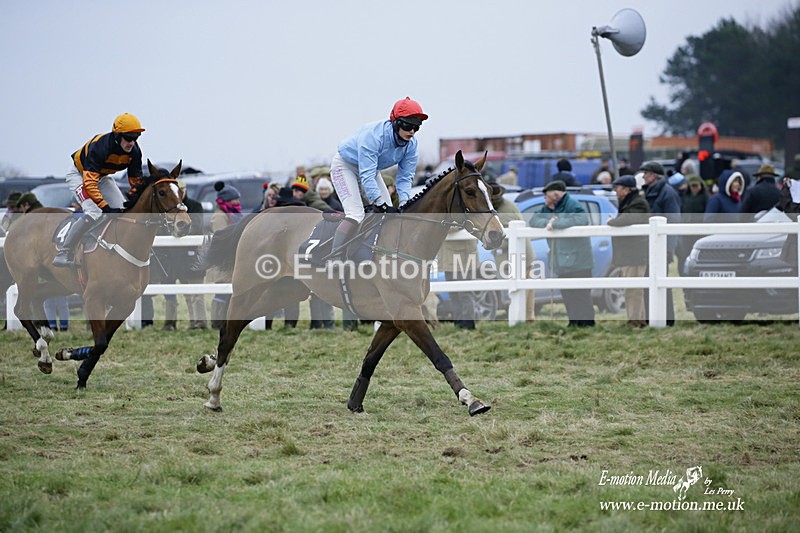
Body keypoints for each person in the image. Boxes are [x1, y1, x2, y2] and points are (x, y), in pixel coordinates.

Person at [329, 97, 427, 260]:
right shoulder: (374, 136)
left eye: (416, 127)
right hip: (345, 166)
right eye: (408, 125)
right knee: (356, 214)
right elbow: (366, 175)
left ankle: (372, 254)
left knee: (389, 217)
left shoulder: (412, 145)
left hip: (370, 170)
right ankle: (334, 257)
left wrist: (404, 203)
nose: (412, 131)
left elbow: (405, 178)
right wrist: (379, 202)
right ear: (396, 122)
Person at [53, 113, 145, 267]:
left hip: (102, 177)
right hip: (80, 175)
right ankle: (64, 251)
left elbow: (135, 182)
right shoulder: (101, 147)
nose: (132, 142)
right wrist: (106, 207)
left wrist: (135, 199)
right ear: (117, 136)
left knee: (122, 210)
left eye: (136, 137)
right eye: (128, 137)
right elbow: (89, 183)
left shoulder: (135, 152)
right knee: (95, 212)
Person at [529, 180, 595, 327]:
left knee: (581, 294)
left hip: (579, 260)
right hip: (562, 260)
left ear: (556, 194)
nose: (545, 199)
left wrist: (556, 223)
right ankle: (573, 322)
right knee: (568, 293)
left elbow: (582, 219)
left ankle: (587, 323)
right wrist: (549, 222)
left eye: (546, 195)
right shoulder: (548, 208)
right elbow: (534, 220)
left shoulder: (572, 204)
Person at [161, 179, 208, 330]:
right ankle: (178, 323)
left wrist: (179, 231)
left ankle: (199, 322)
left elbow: (197, 228)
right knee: (179, 292)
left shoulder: (195, 206)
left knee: (195, 291)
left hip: (191, 254)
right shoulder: (168, 208)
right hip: (174, 256)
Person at [640, 161, 681, 326]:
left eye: (646, 173)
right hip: (649, 246)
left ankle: (667, 319)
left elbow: (673, 221)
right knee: (650, 282)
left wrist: (669, 250)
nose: (643, 176)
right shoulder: (650, 192)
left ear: (654, 175)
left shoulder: (667, 193)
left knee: (662, 285)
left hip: (662, 247)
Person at [607, 176, 650, 327]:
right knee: (632, 289)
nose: (615, 191)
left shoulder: (638, 204)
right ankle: (638, 320)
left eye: (617, 188)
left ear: (627, 190)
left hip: (635, 254)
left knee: (634, 290)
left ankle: (635, 320)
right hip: (631, 253)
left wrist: (611, 221)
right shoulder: (631, 202)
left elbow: (626, 220)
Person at [489, 182, 536, 321]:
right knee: (521, 289)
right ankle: (524, 317)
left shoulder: (505, 212)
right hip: (513, 257)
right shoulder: (499, 209)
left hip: (520, 256)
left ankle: (525, 318)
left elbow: (505, 237)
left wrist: (492, 243)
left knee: (523, 290)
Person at [207, 181, 242, 329]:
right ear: (228, 200)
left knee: (229, 292)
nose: (238, 202)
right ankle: (216, 321)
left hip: (231, 259)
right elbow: (221, 237)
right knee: (221, 292)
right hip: (223, 261)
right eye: (235, 199)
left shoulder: (232, 214)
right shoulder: (219, 217)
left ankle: (226, 320)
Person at [675, 174, 710, 275]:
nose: (694, 188)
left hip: (699, 231)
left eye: (696, 186)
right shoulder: (684, 196)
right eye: (692, 186)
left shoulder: (705, 197)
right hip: (686, 231)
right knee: (684, 255)